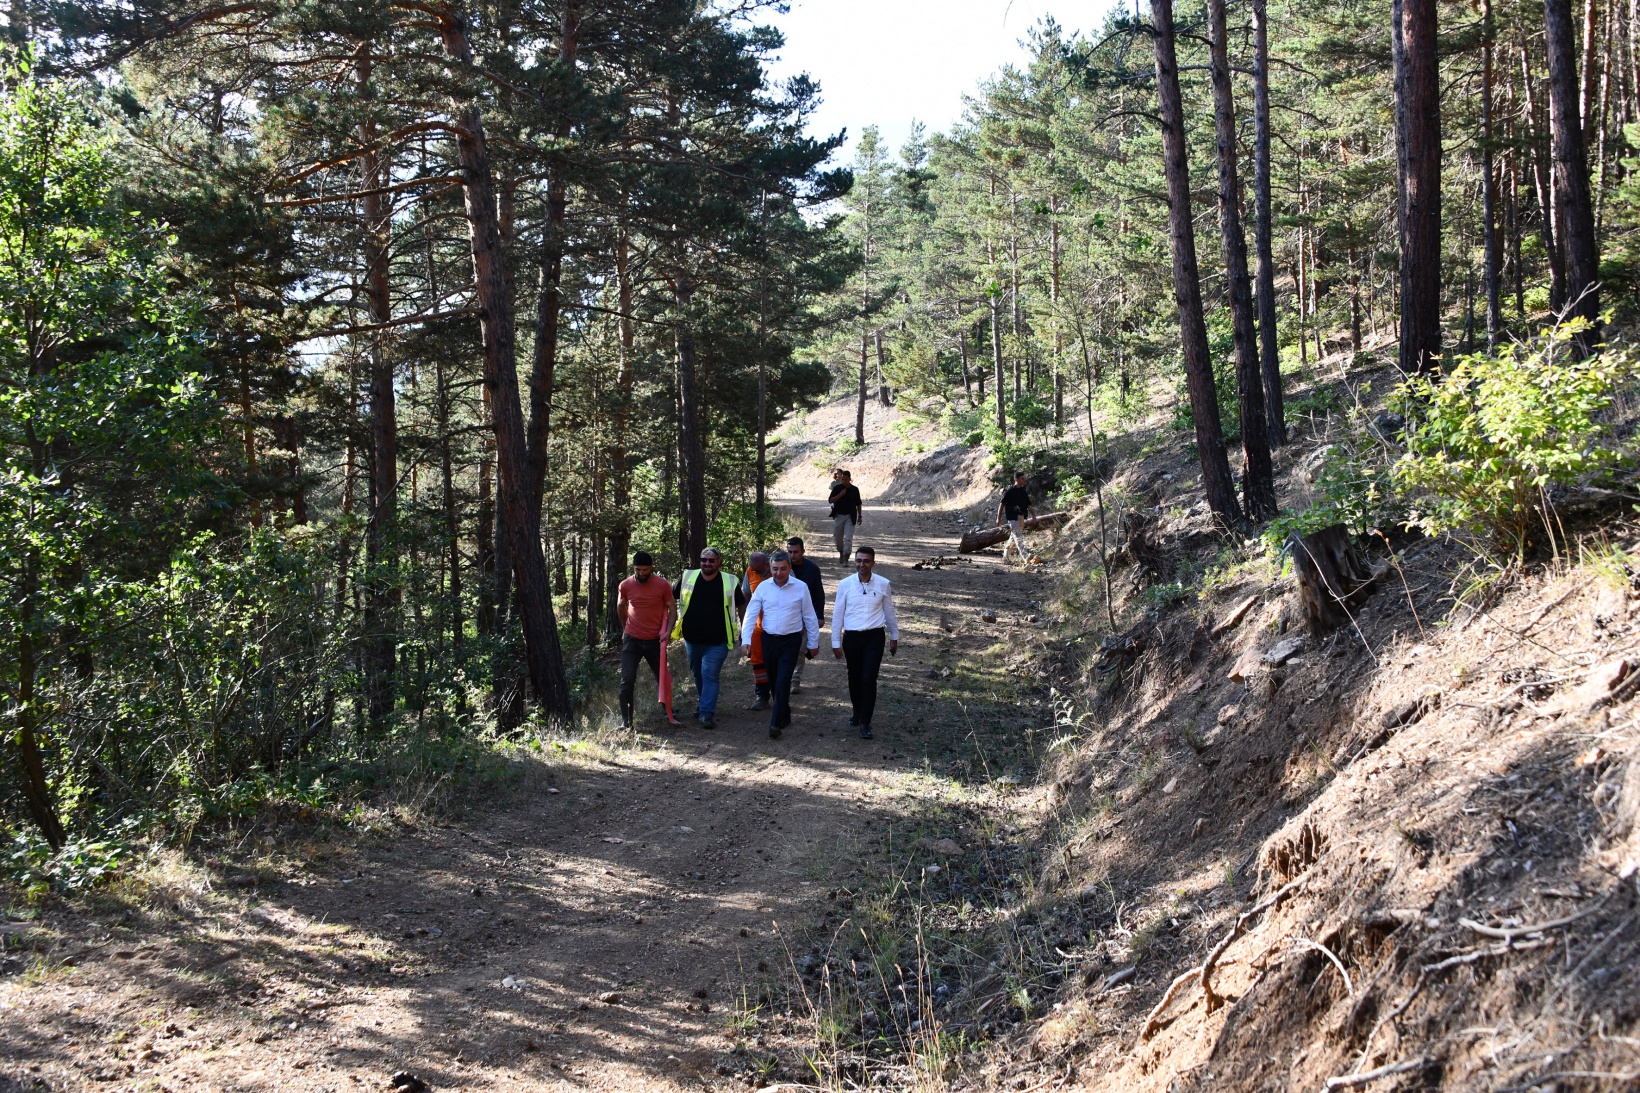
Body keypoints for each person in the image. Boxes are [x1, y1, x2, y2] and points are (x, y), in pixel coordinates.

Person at [740, 551, 819, 739]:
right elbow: (751, 614)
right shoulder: (763, 588)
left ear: (789, 568)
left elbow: (809, 615)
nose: (779, 573)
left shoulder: (801, 588)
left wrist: (813, 642)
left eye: (783, 569)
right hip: (768, 640)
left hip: (791, 641)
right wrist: (746, 640)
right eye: (775, 569)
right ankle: (785, 713)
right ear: (770, 567)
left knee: (783, 680)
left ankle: (775, 723)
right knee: (775, 681)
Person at [671, 547, 743, 730]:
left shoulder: (730, 581)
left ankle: (706, 713)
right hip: (691, 639)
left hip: (718, 640)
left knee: (709, 674)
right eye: (704, 560)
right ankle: (704, 704)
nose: (707, 563)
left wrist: (745, 631)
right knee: (698, 674)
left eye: (712, 560)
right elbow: (669, 599)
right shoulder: (687, 577)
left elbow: (742, 605)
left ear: (719, 561)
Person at [831, 546, 899, 740]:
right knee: (854, 676)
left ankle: (865, 723)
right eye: (859, 561)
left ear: (873, 563)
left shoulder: (883, 584)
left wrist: (894, 637)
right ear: (855, 562)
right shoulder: (845, 585)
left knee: (869, 678)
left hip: (874, 637)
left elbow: (889, 612)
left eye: (866, 561)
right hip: (852, 637)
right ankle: (857, 711)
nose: (862, 564)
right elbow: (838, 614)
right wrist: (835, 641)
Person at [616, 551, 676, 730]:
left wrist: (668, 631)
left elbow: (672, 609)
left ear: (651, 568)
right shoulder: (625, 585)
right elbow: (621, 605)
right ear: (633, 567)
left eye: (645, 570)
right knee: (627, 680)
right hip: (632, 641)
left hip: (654, 641)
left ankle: (669, 712)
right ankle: (627, 722)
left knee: (663, 678)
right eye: (638, 569)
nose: (641, 573)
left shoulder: (662, 585)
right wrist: (625, 627)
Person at [785, 536, 825, 694]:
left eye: (795, 552)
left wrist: (819, 616)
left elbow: (818, 593)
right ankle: (784, 677)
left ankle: (795, 679)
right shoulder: (783, 568)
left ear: (803, 551)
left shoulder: (812, 569)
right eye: (789, 552)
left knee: (801, 648)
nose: (792, 555)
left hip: (805, 615)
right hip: (786, 614)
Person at [738, 552, 773, 710]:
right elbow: (745, 597)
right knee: (757, 661)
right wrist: (744, 627)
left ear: (767, 564)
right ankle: (762, 695)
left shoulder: (781, 570)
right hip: (757, 626)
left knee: (776, 661)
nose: (756, 573)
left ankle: (779, 694)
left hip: (779, 626)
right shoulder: (750, 571)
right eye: (754, 570)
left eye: (759, 570)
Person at [997, 470, 1034, 565]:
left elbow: (1029, 505)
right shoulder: (1010, 491)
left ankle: (1005, 557)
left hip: (1021, 517)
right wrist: (999, 518)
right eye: (1022, 478)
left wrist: (1034, 516)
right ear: (1016, 479)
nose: (1024, 480)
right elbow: (1002, 504)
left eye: (1024, 478)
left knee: (1013, 538)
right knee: (1019, 537)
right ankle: (1026, 558)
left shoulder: (1023, 492)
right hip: (1012, 518)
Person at [828, 469, 864, 565]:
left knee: (848, 538)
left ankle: (846, 557)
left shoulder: (855, 490)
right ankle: (841, 551)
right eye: (843, 479)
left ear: (850, 479)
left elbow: (858, 504)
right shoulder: (837, 488)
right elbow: (830, 500)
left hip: (850, 516)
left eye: (846, 480)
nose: (844, 481)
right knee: (838, 538)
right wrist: (840, 495)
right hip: (839, 515)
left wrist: (860, 516)